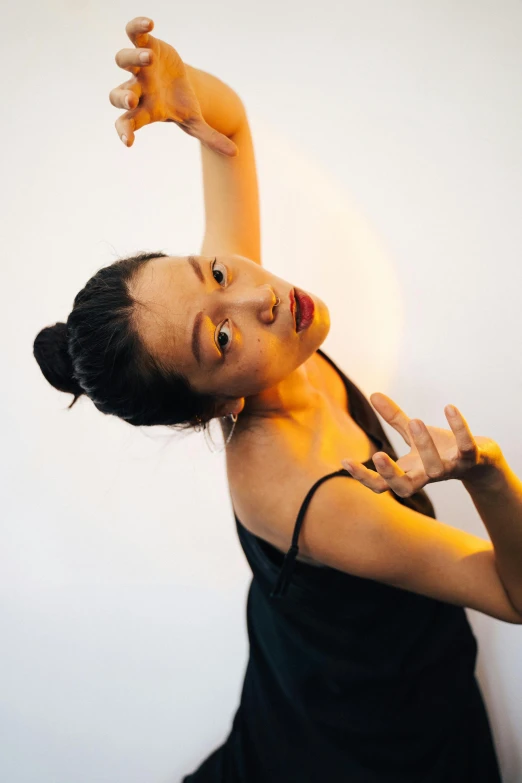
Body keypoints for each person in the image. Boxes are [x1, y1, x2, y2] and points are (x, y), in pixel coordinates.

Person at [32, 17, 522, 783]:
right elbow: (509, 591)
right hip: (365, 742)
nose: (259, 294)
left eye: (215, 272)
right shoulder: (300, 492)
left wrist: (186, 93)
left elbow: (226, 128)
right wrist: (490, 476)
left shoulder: (254, 316)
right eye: (217, 340)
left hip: (320, 669)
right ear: (209, 409)